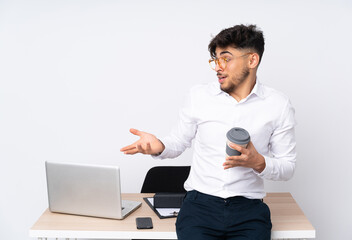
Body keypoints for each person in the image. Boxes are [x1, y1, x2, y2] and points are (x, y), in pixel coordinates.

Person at [121, 24, 296, 240]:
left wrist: (258, 161)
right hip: (199, 208)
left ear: (252, 60)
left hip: (249, 211)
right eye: (215, 59)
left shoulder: (278, 105)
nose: (217, 67)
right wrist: (159, 146)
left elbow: (287, 166)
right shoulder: (199, 96)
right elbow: (178, 141)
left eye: (226, 58)